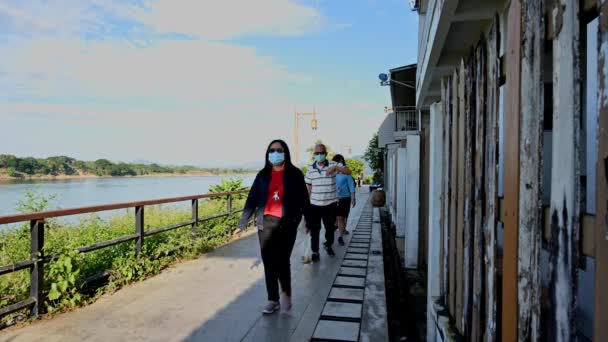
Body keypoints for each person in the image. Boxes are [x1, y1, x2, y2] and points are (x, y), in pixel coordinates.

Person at [236, 139, 309, 314]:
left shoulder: (295, 174)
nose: (275, 153)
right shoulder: (262, 175)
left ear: (285, 153)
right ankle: (272, 300)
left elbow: (304, 199)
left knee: (283, 261)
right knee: (269, 262)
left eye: (279, 150)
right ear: (268, 153)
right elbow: (251, 199)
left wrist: (309, 221)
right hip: (265, 223)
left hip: (287, 223)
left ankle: (286, 293)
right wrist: (242, 223)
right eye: (272, 150)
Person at [305, 144, 351, 261]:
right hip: (314, 205)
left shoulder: (333, 164)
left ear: (325, 153)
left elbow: (348, 171)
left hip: (330, 204)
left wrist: (336, 168)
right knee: (314, 230)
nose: (319, 155)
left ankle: (328, 245)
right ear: (314, 155)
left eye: (322, 153)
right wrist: (306, 206)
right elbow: (308, 188)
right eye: (317, 153)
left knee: (330, 228)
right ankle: (315, 251)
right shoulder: (310, 169)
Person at [332, 154, 356, 246]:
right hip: (334, 199)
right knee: (337, 217)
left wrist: (353, 198)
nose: (340, 163)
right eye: (338, 161)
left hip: (345, 198)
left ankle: (340, 236)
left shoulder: (346, 172)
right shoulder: (331, 172)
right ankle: (336, 230)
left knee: (342, 217)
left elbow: (351, 185)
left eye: (341, 161)